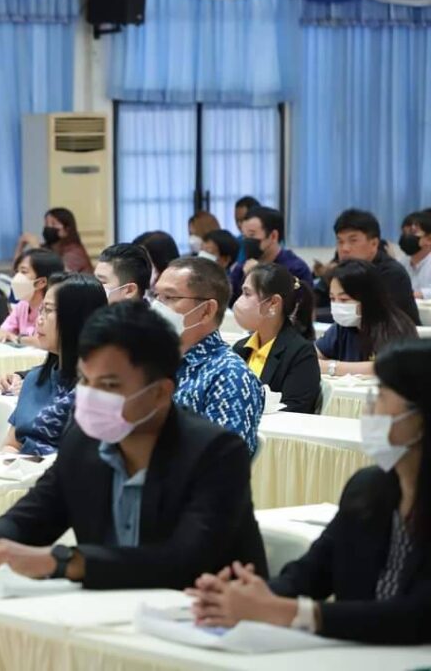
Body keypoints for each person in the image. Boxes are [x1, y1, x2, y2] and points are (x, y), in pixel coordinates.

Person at [0, 301, 267, 588]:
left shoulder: (216, 453)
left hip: (206, 619)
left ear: (160, 392)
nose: (91, 396)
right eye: (86, 380)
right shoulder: (83, 440)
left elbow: (185, 560)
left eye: (109, 385)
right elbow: (33, 517)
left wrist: (62, 562)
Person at [189, 340, 431, 645]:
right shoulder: (369, 488)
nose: (370, 407)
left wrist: (293, 613)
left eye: (381, 394)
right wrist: (246, 596)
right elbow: (311, 574)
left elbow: (417, 617)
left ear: (420, 418)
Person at [152, 257, 265, 455]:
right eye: (156, 296)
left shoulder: (229, 376)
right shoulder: (151, 361)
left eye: (169, 297)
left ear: (206, 311)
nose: (156, 306)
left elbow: (224, 464)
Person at [2, 274, 107, 455]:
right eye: (41, 310)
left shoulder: (102, 392)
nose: (39, 320)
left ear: (78, 317)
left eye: (49, 310)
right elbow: (12, 444)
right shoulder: (35, 379)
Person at [232, 264, 321, 414]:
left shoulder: (300, 353)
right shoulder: (240, 348)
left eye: (247, 294)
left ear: (273, 303)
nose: (239, 301)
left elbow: (294, 411)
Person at [314, 209, 420, 325]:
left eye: (353, 241)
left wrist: (313, 315)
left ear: (374, 244)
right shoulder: (339, 269)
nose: (344, 248)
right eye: (340, 241)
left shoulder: (391, 273)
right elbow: (316, 297)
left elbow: (373, 315)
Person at [317, 260, 417, 377]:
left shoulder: (396, 327)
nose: (337, 305)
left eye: (344, 299)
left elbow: (387, 366)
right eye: (332, 299)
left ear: (367, 298)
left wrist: (332, 367)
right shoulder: (343, 326)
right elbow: (311, 356)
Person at [228, 207, 313, 304]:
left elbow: (298, 306)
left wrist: (258, 277)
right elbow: (228, 303)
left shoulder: (296, 269)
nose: (246, 241)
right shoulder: (241, 268)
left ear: (273, 236)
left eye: (252, 235)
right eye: (244, 236)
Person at [0, 249, 64, 346]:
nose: (17, 277)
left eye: (23, 271)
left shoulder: (54, 310)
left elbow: (46, 343)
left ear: (41, 282)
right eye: (17, 272)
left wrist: (18, 339)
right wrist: (2, 334)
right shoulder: (22, 305)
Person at [15, 207, 92, 274]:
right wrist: (20, 246)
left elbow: (58, 276)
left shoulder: (75, 252)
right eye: (46, 224)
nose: (48, 227)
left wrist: (36, 248)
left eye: (53, 224)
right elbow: (17, 272)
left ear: (66, 230)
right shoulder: (47, 248)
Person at [400, 210, 431, 298]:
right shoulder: (403, 261)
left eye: (412, 233)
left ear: (429, 239)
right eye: (404, 233)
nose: (406, 237)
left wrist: (417, 294)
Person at [233, 196, 262, 264]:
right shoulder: (236, 242)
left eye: (243, 220)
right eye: (237, 220)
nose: (239, 225)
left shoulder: (267, 242)